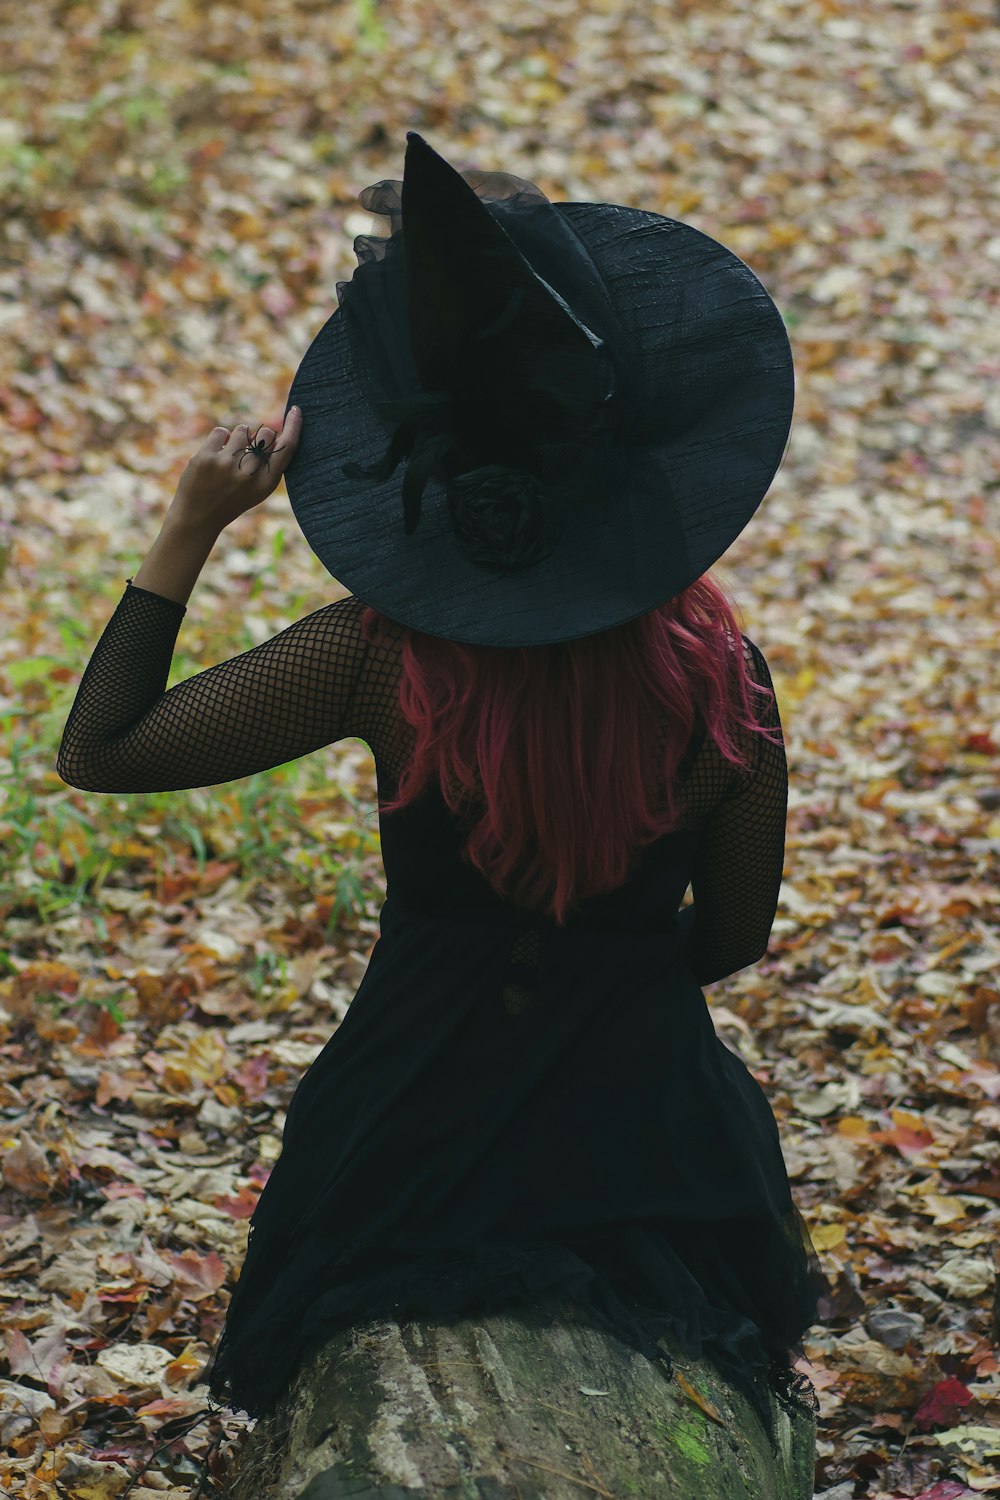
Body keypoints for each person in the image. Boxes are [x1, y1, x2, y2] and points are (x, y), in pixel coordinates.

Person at [57, 132, 829, 1451]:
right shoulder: (723, 678)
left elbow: (106, 753)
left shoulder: (376, 658)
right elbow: (739, 936)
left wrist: (187, 528)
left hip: (407, 1142)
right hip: (659, 1150)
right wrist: (613, 985)